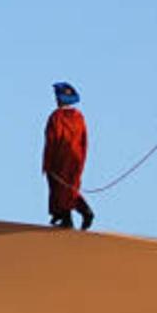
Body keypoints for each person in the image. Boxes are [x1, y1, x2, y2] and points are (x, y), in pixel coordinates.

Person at [42, 81, 95, 230]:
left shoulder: (56, 117)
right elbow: (84, 140)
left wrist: (47, 162)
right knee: (70, 188)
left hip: (60, 159)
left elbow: (51, 141)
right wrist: (82, 159)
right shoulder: (79, 117)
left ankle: (76, 215)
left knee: (60, 187)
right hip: (76, 158)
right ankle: (68, 217)